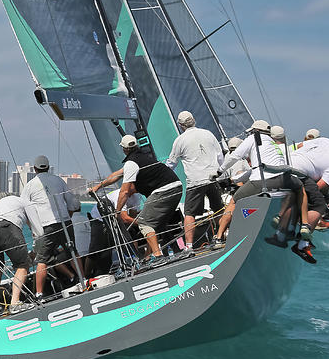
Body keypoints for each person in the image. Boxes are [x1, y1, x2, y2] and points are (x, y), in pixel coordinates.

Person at [92, 135, 183, 266]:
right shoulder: (143, 158)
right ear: (136, 146)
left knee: (145, 223)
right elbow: (116, 175)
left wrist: (117, 211)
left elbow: (124, 191)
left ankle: (158, 256)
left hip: (163, 190)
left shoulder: (131, 163)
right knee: (158, 222)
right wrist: (99, 186)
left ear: (124, 149)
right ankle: (176, 250)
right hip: (177, 187)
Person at [214, 120, 292, 247]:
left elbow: (236, 157)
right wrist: (233, 180)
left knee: (234, 201)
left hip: (260, 182)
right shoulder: (273, 144)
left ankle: (218, 238)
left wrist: (219, 171)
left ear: (255, 131)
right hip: (280, 182)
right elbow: (254, 170)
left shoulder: (253, 138)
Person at [284, 136, 329, 262]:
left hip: (283, 164)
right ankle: (301, 245)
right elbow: (320, 187)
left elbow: (298, 146)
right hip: (297, 175)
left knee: (313, 194)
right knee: (319, 204)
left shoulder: (325, 140)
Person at [165, 111, 225, 256]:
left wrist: (162, 174)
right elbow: (220, 157)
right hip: (212, 177)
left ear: (180, 125)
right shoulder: (208, 134)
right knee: (218, 208)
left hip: (195, 181)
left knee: (189, 213)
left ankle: (189, 247)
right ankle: (222, 237)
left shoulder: (180, 140)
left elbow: (171, 163)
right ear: (194, 120)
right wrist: (219, 173)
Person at [20, 155, 81, 297]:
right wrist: (68, 217)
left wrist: (33, 228)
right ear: (48, 167)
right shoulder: (58, 180)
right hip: (65, 222)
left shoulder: (29, 185)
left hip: (46, 226)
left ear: (35, 169)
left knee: (42, 260)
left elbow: (24, 209)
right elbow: (73, 203)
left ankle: (39, 293)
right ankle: (83, 279)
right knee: (73, 252)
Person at [0, 195, 32, 318]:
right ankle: (15, 303)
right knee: (22, 265)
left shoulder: (6, 202)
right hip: (8, 225)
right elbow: (34, 226)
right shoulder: (27, 204)